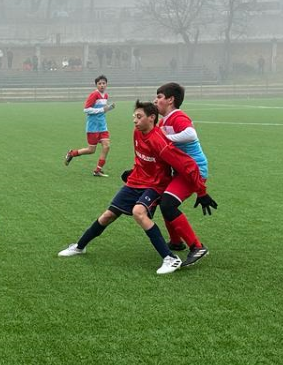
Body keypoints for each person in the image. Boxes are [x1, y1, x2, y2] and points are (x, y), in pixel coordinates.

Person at [57, 101, 217, 276]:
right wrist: (133, 172)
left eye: (139, 117)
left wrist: (202, 192)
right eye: (134, 116)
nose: (135, 120)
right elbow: (141, 159)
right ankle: (79, 246)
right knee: (108, 215)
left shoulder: (160, 142)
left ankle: (170, 258)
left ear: (152, 118)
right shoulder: (137, 132)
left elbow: (188, 165)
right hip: (135, 182)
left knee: (138, 212)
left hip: (155, 185)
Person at [154, 82, 211, 266]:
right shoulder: (163, 122)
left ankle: (197, 247)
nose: (155, 101)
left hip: (194, 170)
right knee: (164, 201)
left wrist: (166, 139)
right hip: (181, 171)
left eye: (159, 97)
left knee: (168, 203)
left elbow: (191, 134)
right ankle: (176, 242)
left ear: (171, 100)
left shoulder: (178, 116)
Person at [64, 75, 115, 177]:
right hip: (93, 127)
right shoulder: (94, 95)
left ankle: (97, 170)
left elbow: (102, 111)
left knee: (107, 146)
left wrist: (109, 108)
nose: (102, 85)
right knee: (91, 150)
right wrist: (102, 109)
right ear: (96, 85)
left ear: (106, 84)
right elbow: (86, 109)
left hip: (102, 126)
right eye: (99, 83)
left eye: (103, 83)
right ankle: (72, 153)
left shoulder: (105, 96)